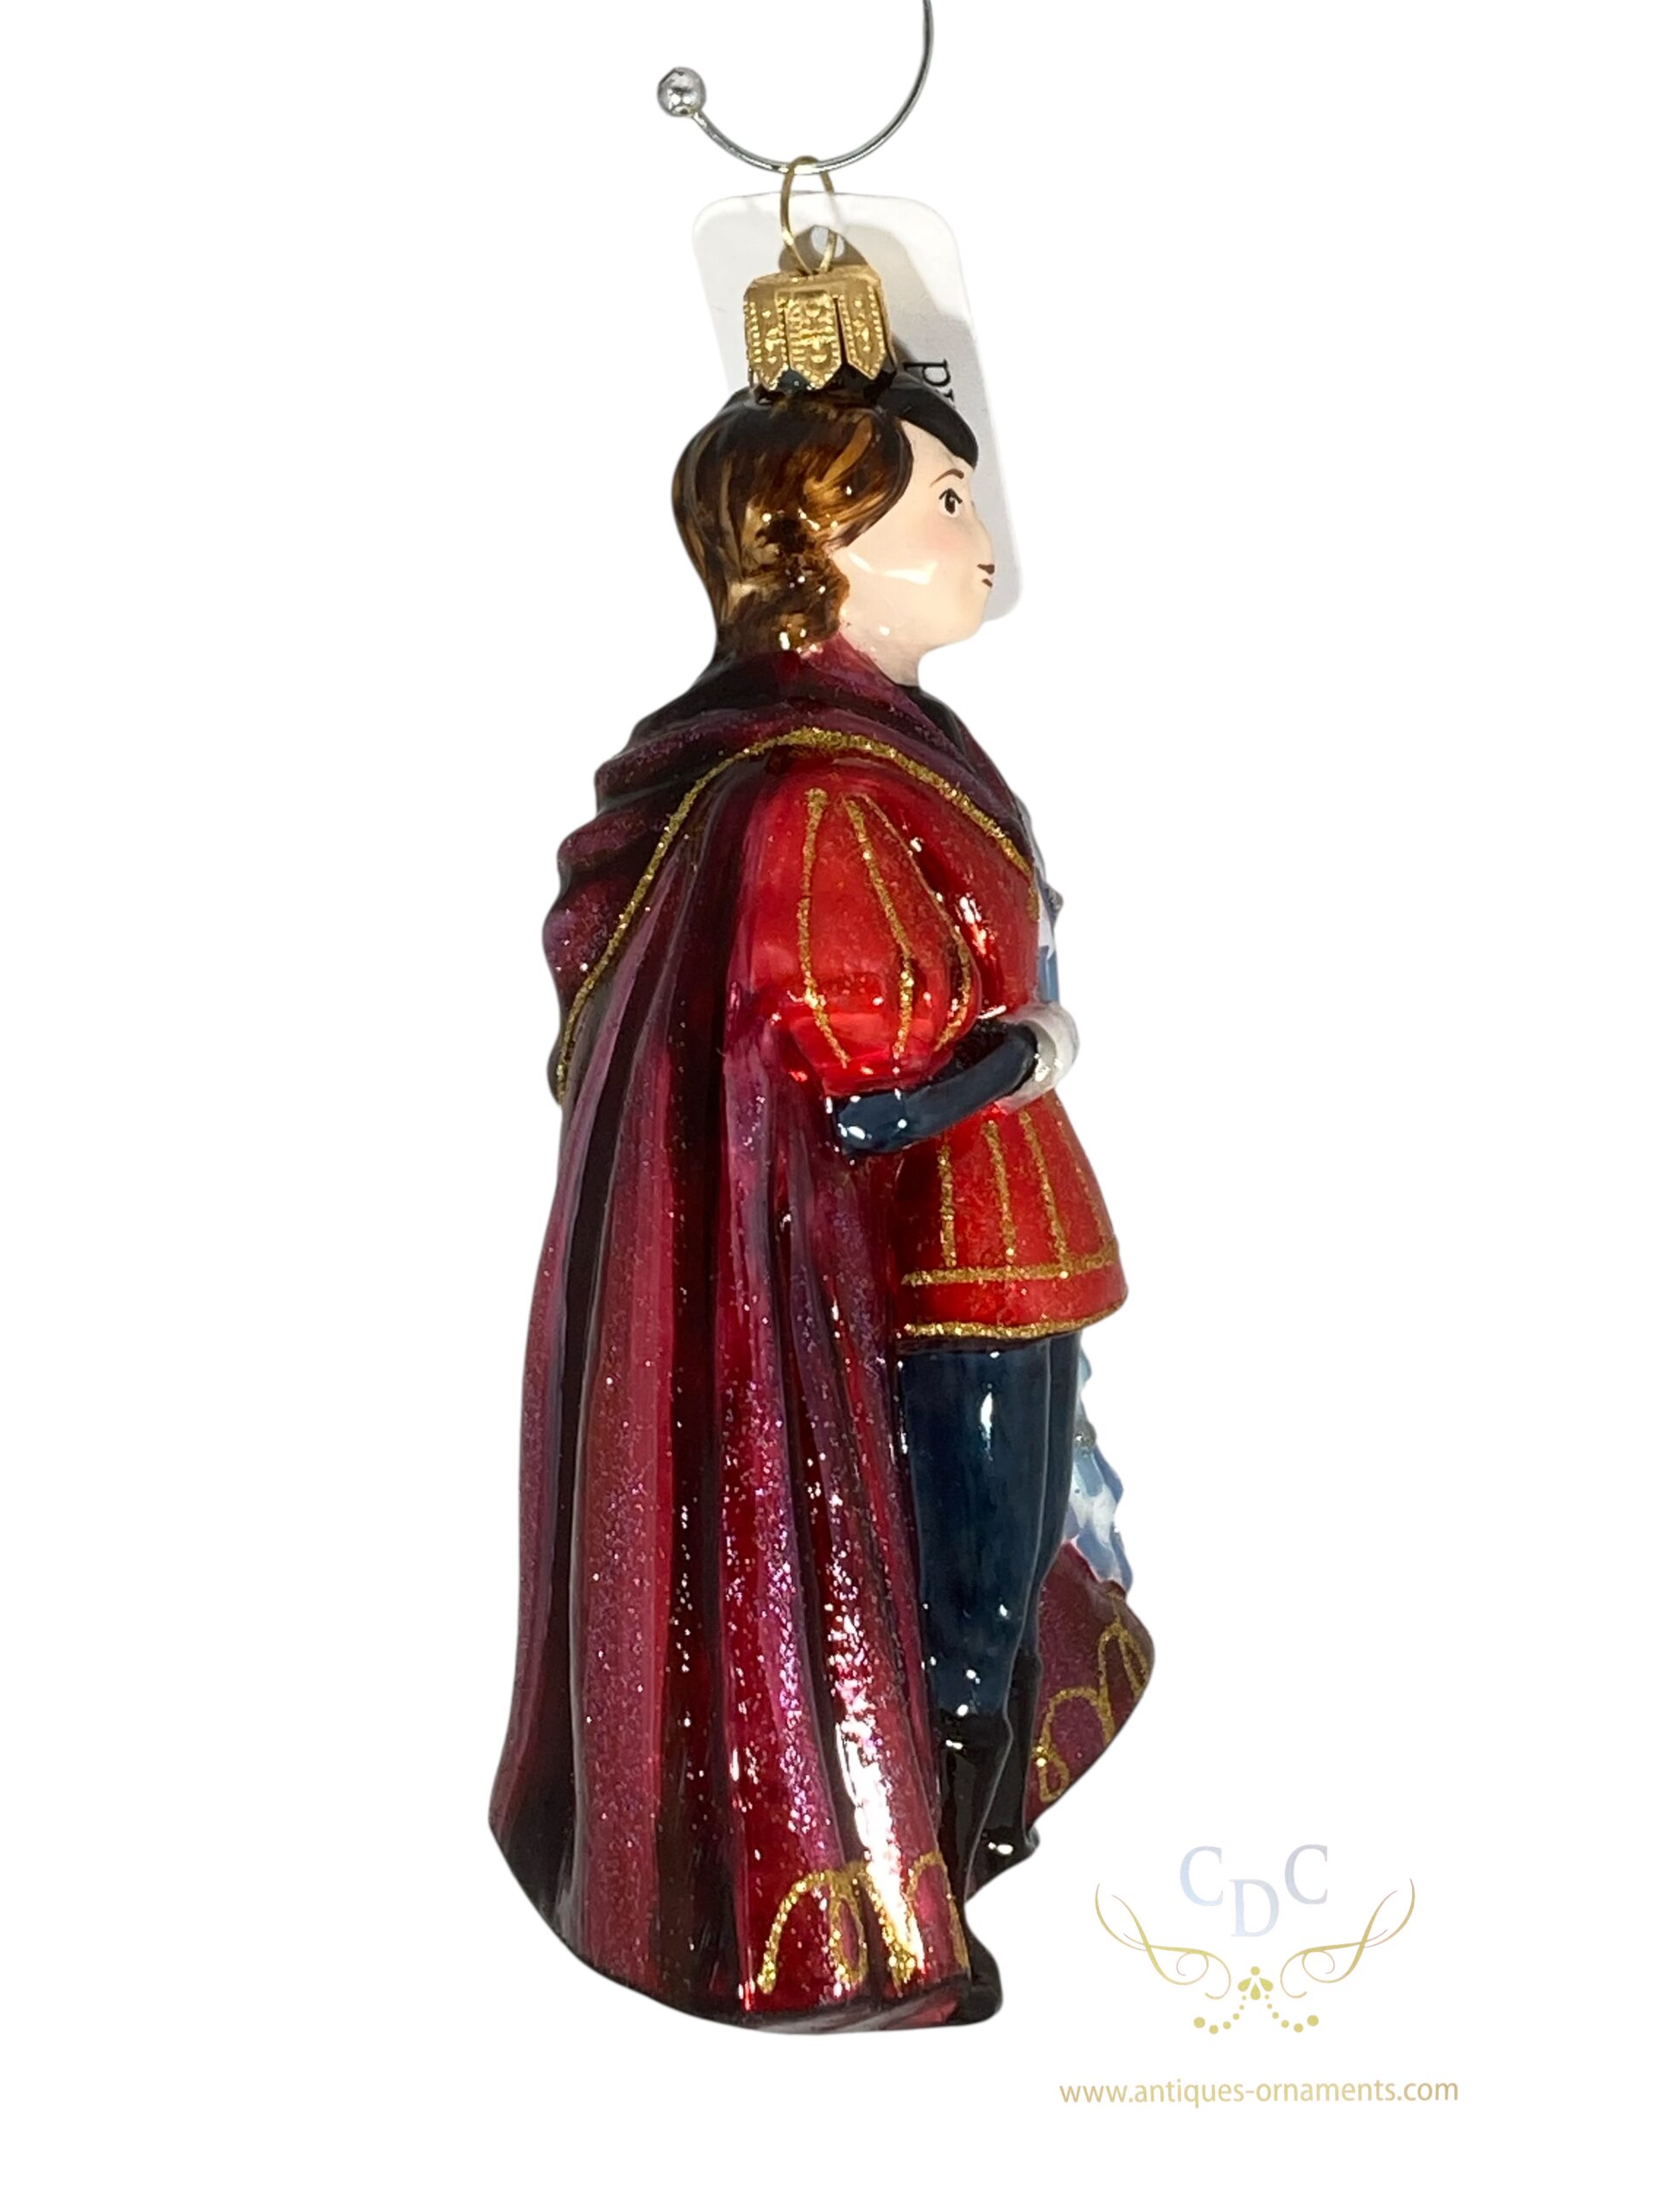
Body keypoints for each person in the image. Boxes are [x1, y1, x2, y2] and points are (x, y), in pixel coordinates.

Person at [489, 361, 1153, 2031]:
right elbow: (866, 1079)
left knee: (992, 1585)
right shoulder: (818, 788)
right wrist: (1033, 1048)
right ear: (819, 545)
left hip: (1002, 1239)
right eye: (944, 502)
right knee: (961, 1602)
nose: (981, 535)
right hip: (939, 1261)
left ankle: (952, 1855)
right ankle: (919, 1892)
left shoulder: (884, 750)